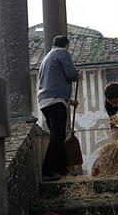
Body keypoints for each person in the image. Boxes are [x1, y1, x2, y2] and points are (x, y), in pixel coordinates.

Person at [38, 35, 81, 180]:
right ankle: (47, 171)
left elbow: (53, 84)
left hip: (46, 101)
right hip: (56, 101)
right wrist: (78, 75)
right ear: (66, 45)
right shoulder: (62, 53)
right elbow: (71, 74)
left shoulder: (47, 58)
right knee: (58, 136)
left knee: (58, 135)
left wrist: (69, 101)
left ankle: (61, 169)